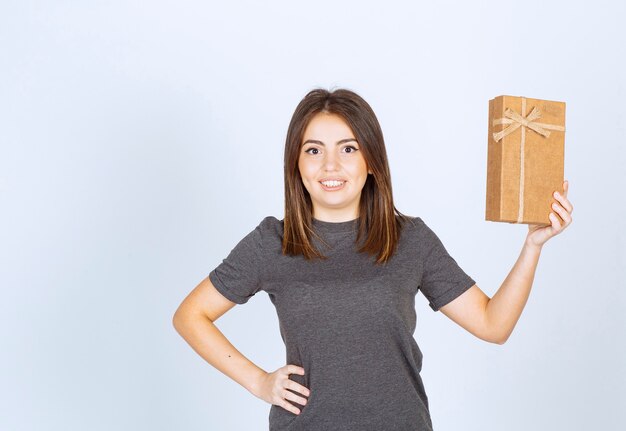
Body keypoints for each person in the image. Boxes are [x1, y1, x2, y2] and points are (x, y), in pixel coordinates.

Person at [172, 88, 574, 430]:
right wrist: (259, 381)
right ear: (296, 163)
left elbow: (493, 324)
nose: (331, 165)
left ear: (371, 163)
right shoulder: (272, 242)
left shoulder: (410, 240)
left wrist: (532, 246)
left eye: (348, 148)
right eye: (314, 150)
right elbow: (190, 315)